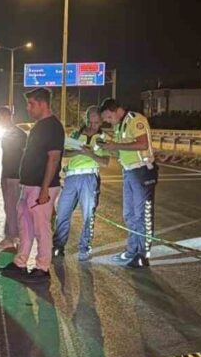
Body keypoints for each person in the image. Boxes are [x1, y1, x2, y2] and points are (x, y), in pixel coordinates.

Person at [1, 88, 64, 282]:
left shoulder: (53, 127)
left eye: (31, 104)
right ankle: (20, 262)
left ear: (43, 104)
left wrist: (44, 189)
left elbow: (53, 159)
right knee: (25, 226)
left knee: (41, 228)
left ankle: (42, 268)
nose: (28, 108)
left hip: (41, 187)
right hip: (29, 185)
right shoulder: (39, 126)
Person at [99, 98, 158, 268]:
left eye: (109, 117)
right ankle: (132, 250)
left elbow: (142, 143)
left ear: (117, 110)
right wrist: (108, 147)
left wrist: (116, 144)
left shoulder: (135, 119)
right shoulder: (119, 126)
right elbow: (121, 151)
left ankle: (142, 255)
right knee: (129, 215)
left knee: (142, 215)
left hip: (142, 171)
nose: (109, 122)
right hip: (128, 171)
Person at [53, 106, 110, 262]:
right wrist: (78, 151)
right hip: (71, 177)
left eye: (96, 122)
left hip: (90, 177)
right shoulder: (76, 135)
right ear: (86, 120)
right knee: (63, 212)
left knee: (88, 215)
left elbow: (105, 162)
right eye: (90, 122)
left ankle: (84, 248)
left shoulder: (103, 137)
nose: (93, 126)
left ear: (101, 121)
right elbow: (63, 152)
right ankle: (58, 246)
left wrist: (90, 153)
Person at [0, 106, 27, 251]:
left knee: (13, 208)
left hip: (14, 175)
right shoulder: (9, 133)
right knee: (8, 207)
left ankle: (14, 238)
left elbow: (23, 155)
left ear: (5, 116)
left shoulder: (18, 134)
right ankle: (9, 236)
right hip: (7, 174)